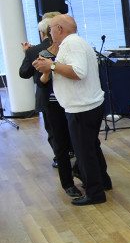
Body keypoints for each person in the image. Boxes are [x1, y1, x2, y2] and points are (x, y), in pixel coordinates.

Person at [32, 15, 113, 206]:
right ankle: (102, 183)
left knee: (85, 153)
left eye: (51, 28)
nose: (49, 33)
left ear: (59, 28)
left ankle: (95, 194)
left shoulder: (71, 44)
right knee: (90, 149)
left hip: (82, 108)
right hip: (84, 106)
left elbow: (78, 72)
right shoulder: (73, 43)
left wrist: (50, 65)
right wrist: (48, 69)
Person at [21, 12, 80, 197]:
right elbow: (35, 79)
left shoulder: (70, 48)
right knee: (60, 145)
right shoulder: (40, 52)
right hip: (52, 102)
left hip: (72, 100)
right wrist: (39, 66)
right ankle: (68, 183)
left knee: (82, 141)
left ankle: (83, 173)